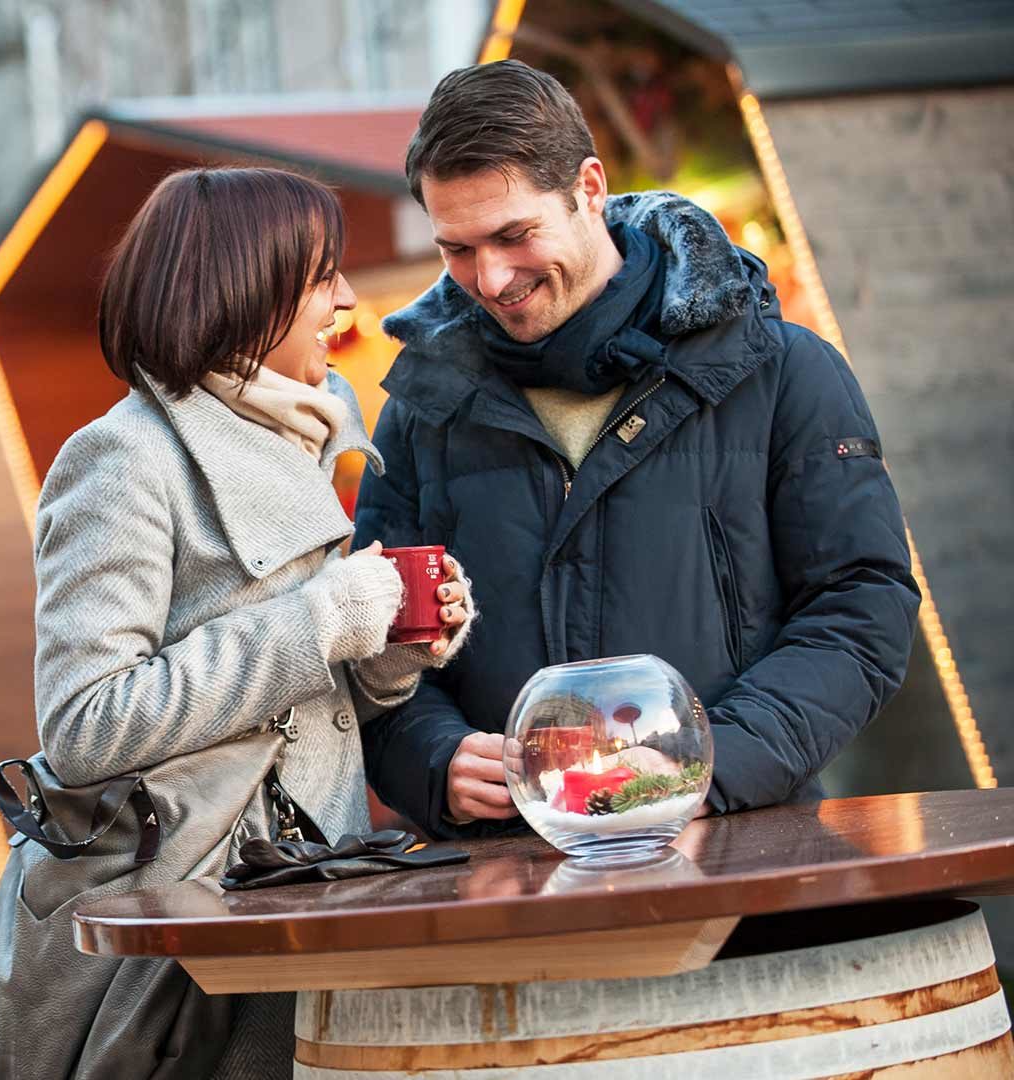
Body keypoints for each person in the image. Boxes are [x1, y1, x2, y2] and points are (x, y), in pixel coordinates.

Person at [352, 60, 918, 836]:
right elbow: (380, 651)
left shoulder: (783, 372)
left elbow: (860, 611)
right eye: (457, 249)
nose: (489, 278)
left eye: (514, 235)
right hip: (504, 888)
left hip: (735, 856)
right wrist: (437, 759)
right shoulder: (421, 412)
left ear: (589, 187)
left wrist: (707, 765)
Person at [25, 167, 474, 1077]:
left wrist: (387, 656)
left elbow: (310, 715)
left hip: (303, 902)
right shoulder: (123, 459)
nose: (345, 298)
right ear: (244, 288)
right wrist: (318, 622)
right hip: (199, 924)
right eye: (321, 278)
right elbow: (82, 725)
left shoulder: (296, 434)